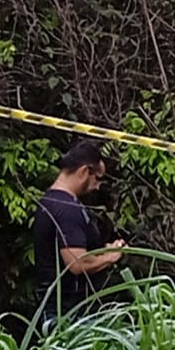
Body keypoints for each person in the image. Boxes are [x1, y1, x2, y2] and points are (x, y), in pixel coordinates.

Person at [33, 140, 125, 328]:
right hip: (68, 316)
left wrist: (100, 252)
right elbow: (77, 263)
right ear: (84, 171)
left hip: (54, 309)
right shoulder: (68, 209)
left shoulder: (49, 201)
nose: (98, 186)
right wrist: (110, 257)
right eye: (98, 178)